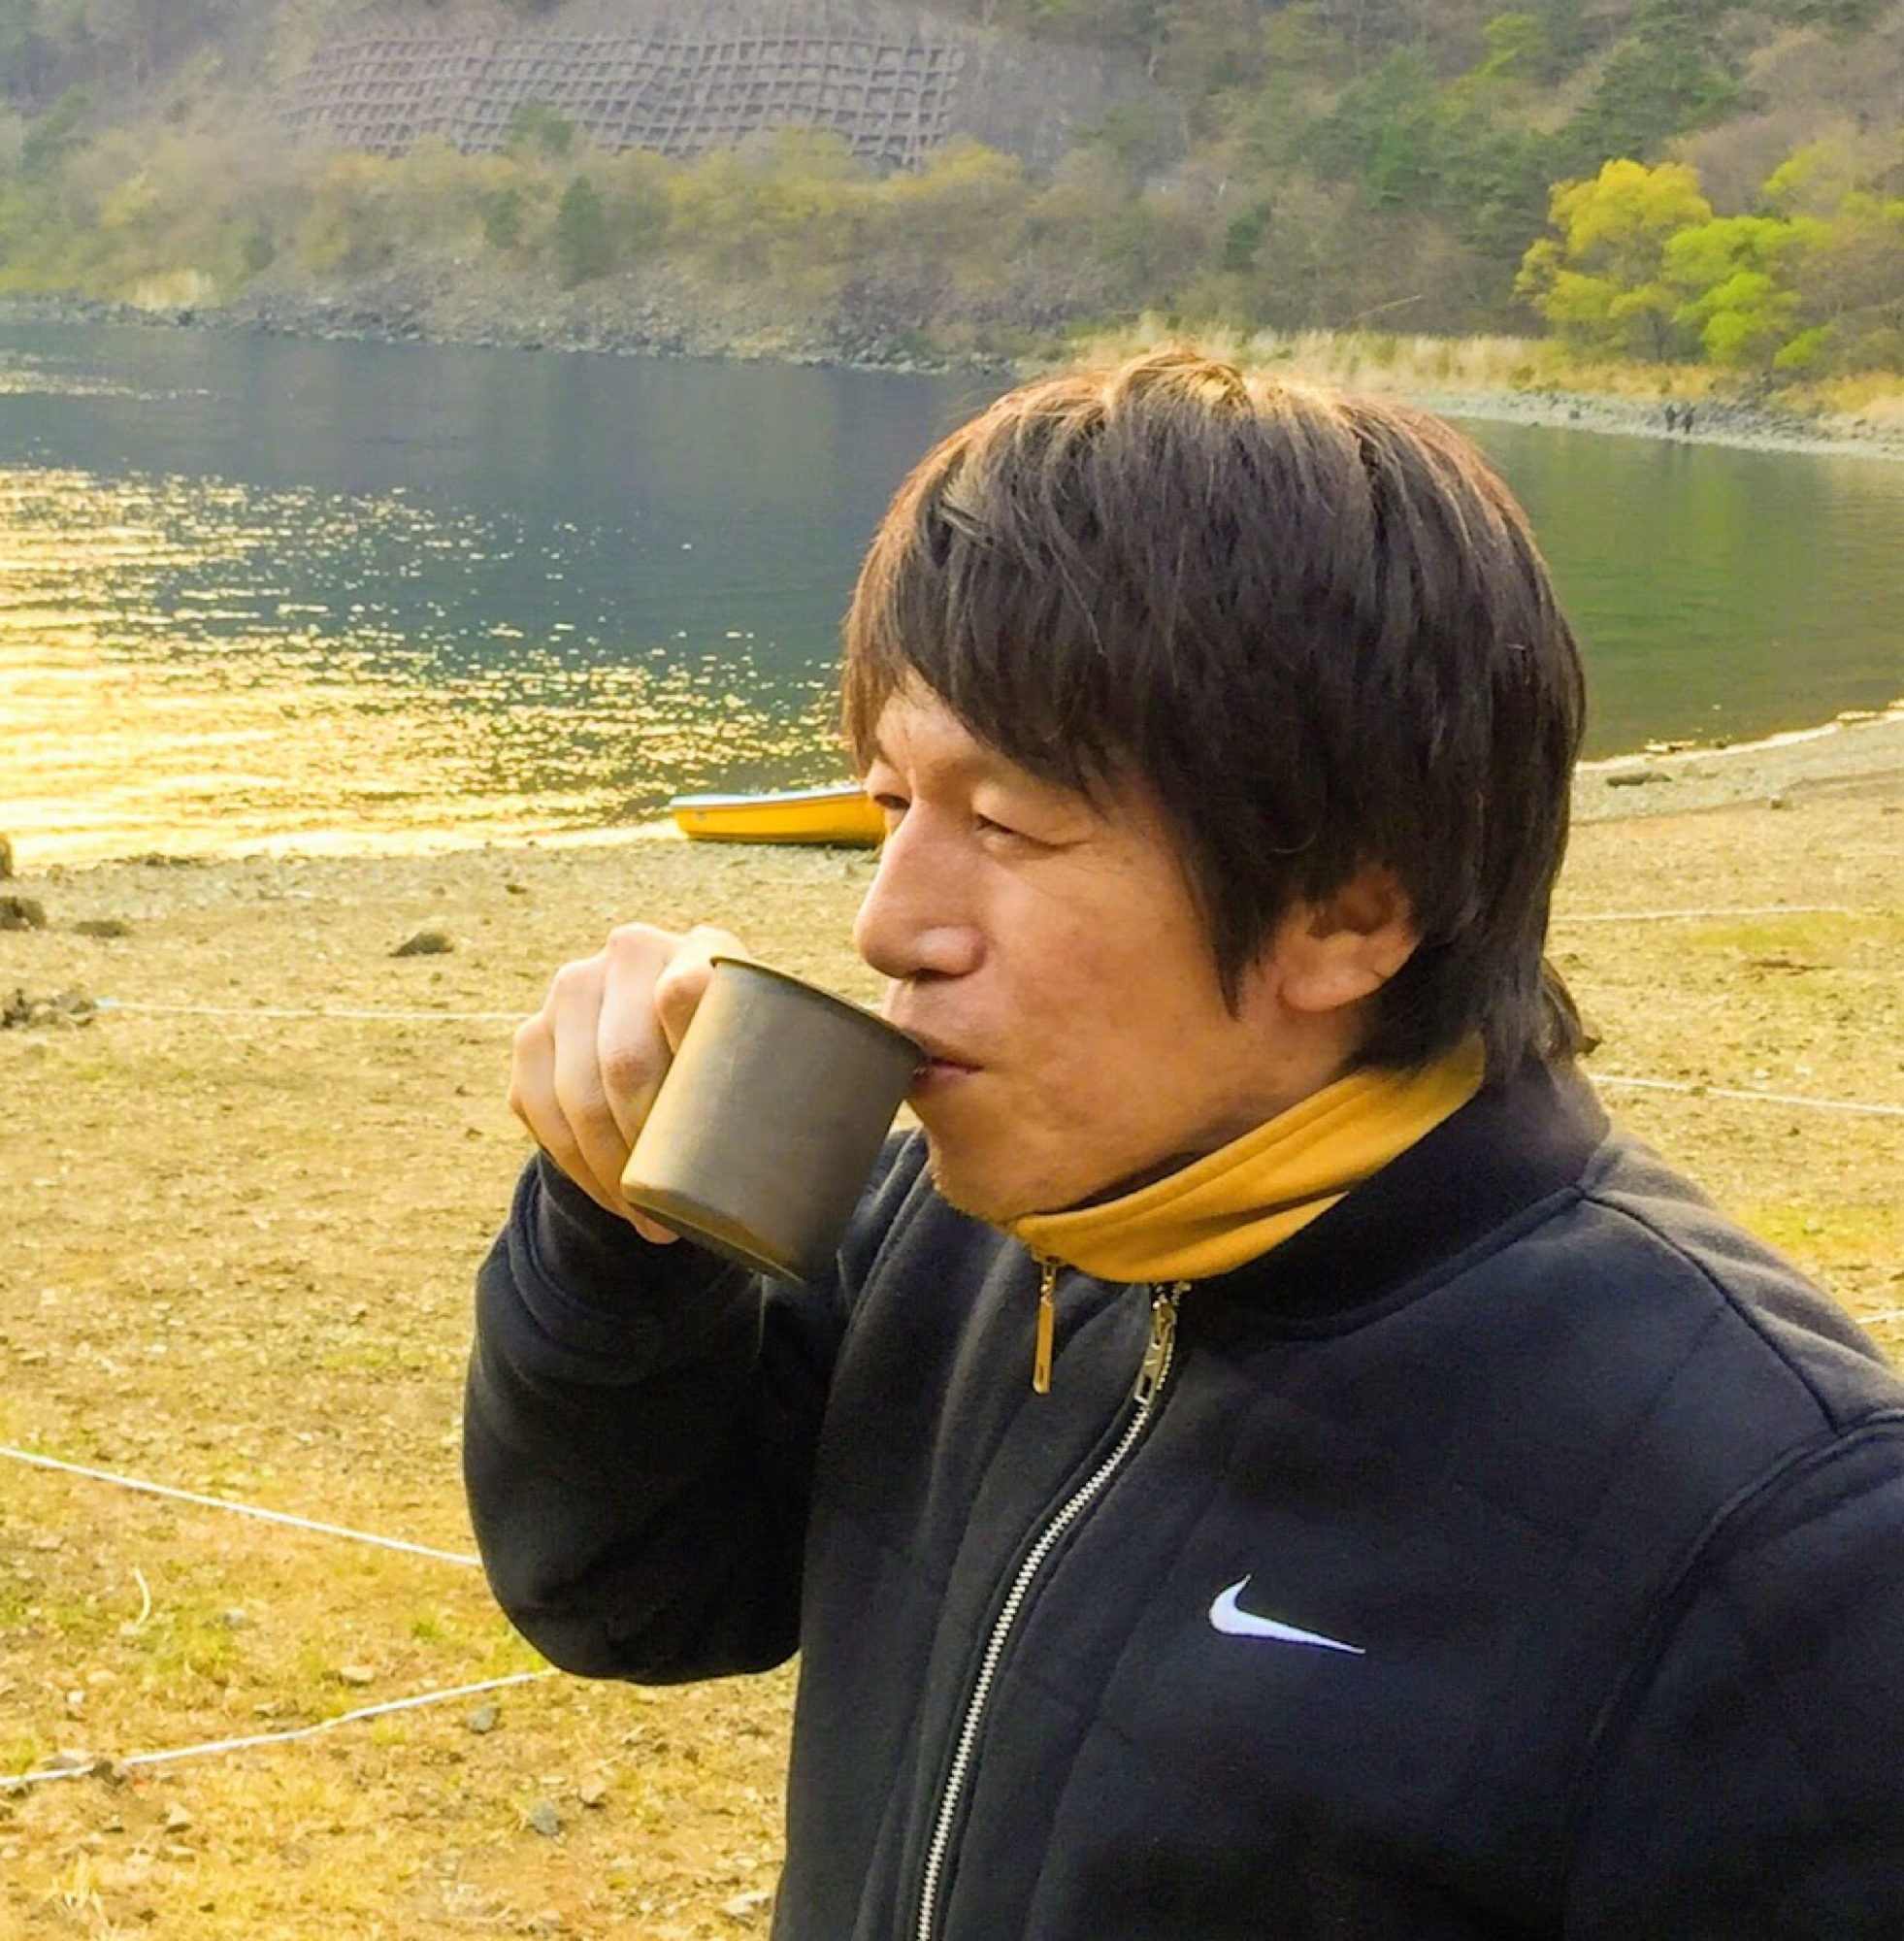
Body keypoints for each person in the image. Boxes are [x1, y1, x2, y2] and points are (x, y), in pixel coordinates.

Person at [464, 349, 1904, 1939]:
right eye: (888, 806)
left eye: (1002, 823)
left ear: (1345, 910)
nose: (888, 922)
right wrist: (619, 1243)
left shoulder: (1780, 1540)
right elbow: (631, 1591)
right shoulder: (965, 1226)